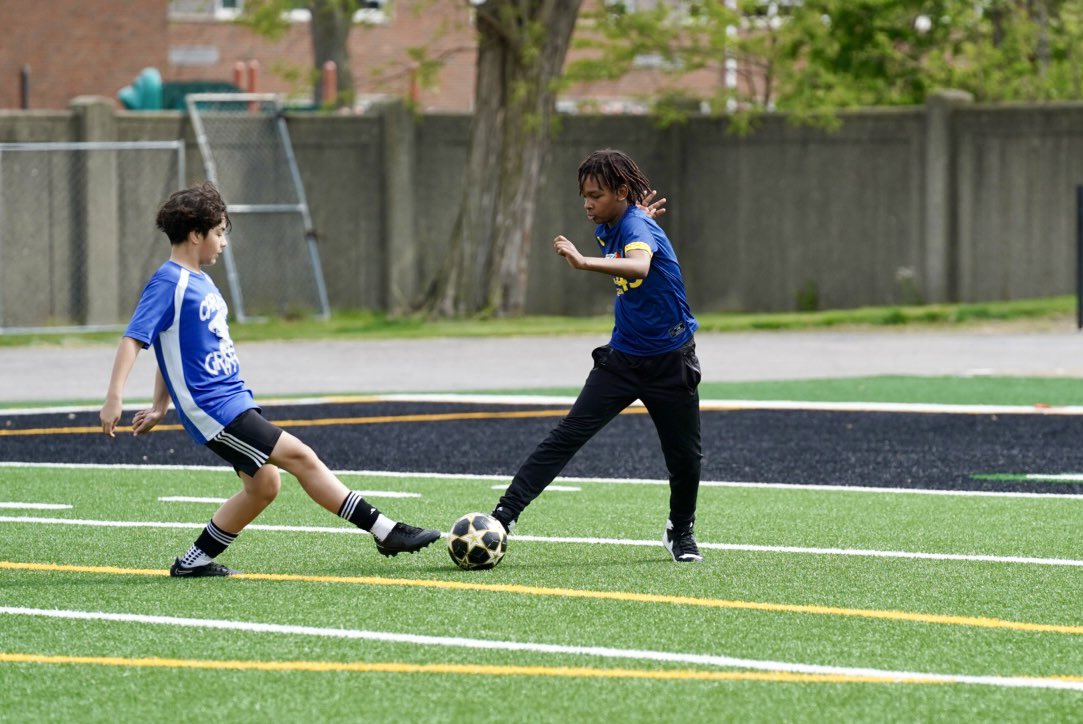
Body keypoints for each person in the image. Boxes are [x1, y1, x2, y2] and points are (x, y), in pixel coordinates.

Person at [100, 181, 440, 577]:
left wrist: (160, 405)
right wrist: (114, 397)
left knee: (264, 485)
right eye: (219, 233)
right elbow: (135, 339)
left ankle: (194, 562)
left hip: (235, 399)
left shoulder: (200, 281)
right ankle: (386, 531)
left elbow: (172, 345)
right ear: (196, 235)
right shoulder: (168, 282)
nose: (223, 243)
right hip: (215, 408)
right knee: (301, 457)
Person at [491, 149, 704, 562]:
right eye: (583, 196)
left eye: (596, 195)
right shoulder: (616, 223)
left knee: (685, 457)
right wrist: (630, 219)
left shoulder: (635, 221)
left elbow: (640, 267)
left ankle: (680, 530)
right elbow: (637, 244)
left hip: (670, 360)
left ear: (622, 191)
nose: (587, 204)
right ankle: (504, 514)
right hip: (622, 359)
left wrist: (583, 261)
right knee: (566, 436)